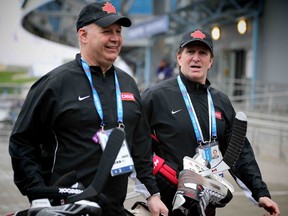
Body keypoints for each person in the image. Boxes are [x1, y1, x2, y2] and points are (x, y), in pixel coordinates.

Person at [8, 2, 168, 216]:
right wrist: (39, 196)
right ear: (83, 35)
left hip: (113, 208)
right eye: (106, 31)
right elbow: (22, 142)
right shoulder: (55, 84)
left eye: (118, 32)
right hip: (67, 207)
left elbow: (140, 147)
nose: (115, 38)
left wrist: (152, 194)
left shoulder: (128, 84)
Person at [141, 29, 280, 215]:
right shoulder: (156, 96)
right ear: (179, 57)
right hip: (166, 204)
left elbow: (239, 151)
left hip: (207, 203)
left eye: (203, 53)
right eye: (190, 52)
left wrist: (260, 193)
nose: (196, 58)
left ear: (211, 61)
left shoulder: (221, 101)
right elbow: (137, 146)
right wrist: (151, 193)